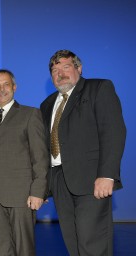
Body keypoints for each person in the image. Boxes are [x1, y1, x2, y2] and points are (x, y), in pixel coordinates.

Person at [40, 49, 127, 255]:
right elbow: (43, 147)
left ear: (79, 68)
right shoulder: (47, 104)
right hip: (59, 181)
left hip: (92, 180)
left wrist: (107, 175)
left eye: (65, 66)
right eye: (54, 70)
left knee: (92, 243)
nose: (59, 73)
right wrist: (43, 187)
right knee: (73, 242)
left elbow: (113, 132)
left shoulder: (98, 88)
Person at [0, 69, 48, 256]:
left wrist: (38, 191)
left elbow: (40, 156)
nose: (1, 89)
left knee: (24, 249)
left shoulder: (30, 114)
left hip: (22, 194)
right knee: (3, 248)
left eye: (6, 84)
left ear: (14, 87)